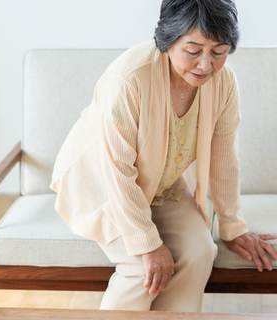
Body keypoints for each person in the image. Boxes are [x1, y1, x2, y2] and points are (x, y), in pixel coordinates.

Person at [50, 0, 277, 312]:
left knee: (199, 252)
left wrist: (232, 226)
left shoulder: (224, 84)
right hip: (101, 185)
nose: (205, 65)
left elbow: (226, 161)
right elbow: (116, 170)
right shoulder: (129, 79)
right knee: (141, 268)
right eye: (193, 50)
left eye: (218, 51)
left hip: (160, 186)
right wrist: (148, 243)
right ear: (168, 40)